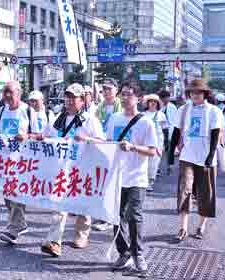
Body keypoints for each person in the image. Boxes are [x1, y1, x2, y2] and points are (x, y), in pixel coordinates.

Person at [41, 83, 104, 257]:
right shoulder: (58, 118)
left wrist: (86, 138)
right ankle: (54, 241)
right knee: (59, 204)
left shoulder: (90, 120)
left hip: (83, 168)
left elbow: (103, 143)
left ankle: (82, 234)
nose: (69, 100)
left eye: (73, 97)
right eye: (67, 97)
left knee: (82, 202)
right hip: (61, 168)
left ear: (82, 100)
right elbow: (45, 136)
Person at [107, 81, 157, 273]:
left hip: (136, 178)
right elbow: (108, 143)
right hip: (116, 177)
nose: (125, 97)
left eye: (129, 94)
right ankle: (124, 253)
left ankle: (138, 255)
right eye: (123, 94)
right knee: (116, 217)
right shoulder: (114, 118)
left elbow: (153, 151)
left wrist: (133, 147)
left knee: (134, 216)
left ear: (138, 98)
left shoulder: (146, 122)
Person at [169, 79, 222, 241]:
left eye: (198, 92)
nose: (195, 95)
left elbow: (215, 134)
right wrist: (171, 153)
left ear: (205, 93)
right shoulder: (184, 109)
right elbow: (177, 131)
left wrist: (211, 156)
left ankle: (201, 225)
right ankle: (183, 227)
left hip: (206, 157)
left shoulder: (213, 111)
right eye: (192, 92)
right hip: (187, 156)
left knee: (205, 193)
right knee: (184, 189)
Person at [0, 81, 39, 245]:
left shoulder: (28, 111)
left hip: (23, 160)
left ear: (19, 93)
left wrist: (27, 136)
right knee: (7, 193)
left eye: (10, 92)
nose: (7, 95)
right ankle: (19, 223)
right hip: (5, 160)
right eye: (5, 91)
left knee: (16, 191)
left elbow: (40, 134)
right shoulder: (2, 111)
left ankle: (15, 227)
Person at [93, 78, 122, 231]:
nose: (106, 92)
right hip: (103, 147)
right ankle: (104, 215)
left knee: (113, 184)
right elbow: (95, 123)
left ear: (116, 90)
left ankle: (111, 217)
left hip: (117, 149)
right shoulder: (101, 106)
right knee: (103, 182)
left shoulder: (121, 105)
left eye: (109, 89)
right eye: (104, 89)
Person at [143, 94, 168, 192]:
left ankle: (150, 182)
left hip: (158, 142)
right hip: (145, 142)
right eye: (150, 102)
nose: (152, 103)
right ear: (147, 103)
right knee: (144, 162)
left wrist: (166, 143)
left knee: (154, 163)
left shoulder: (161, 115)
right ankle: (143, 182)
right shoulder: (143, 115)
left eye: (154, 102)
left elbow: (165, 130)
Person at [159, 90, 178, 175]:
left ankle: (169, 166)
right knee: (159, 149)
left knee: (170, 150)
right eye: (165, 98)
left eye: (168, 98)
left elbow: (175, 120)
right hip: (160, 131)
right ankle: (157, 167)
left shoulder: (172, 107)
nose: (166, 99)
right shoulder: (158, 106)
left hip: (170, 131)